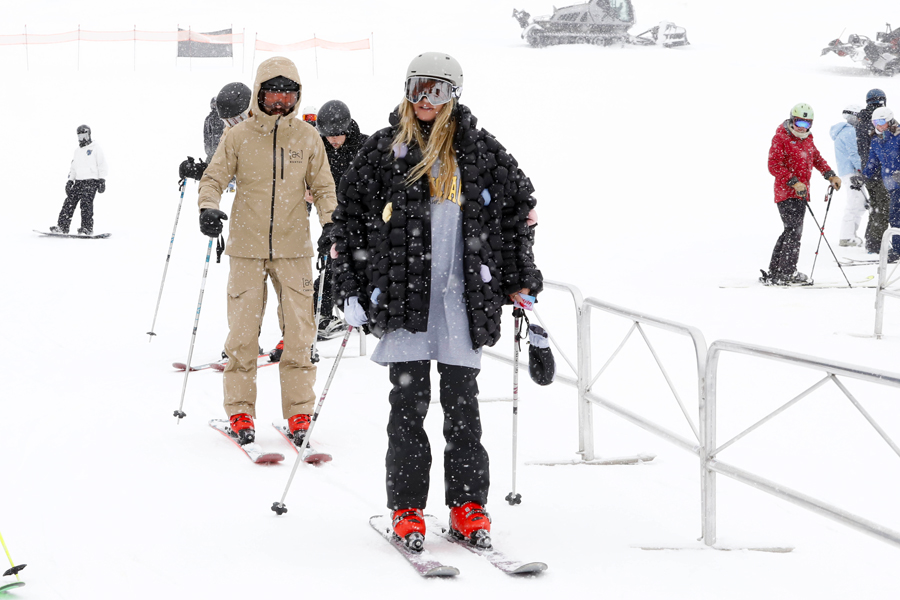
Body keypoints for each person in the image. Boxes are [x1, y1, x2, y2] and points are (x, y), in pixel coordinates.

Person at [330, 52, 542, 552]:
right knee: (407, 408)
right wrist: (350, 288)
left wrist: (518, 279)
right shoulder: (384, 151)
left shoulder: (481, 151)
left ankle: (468, 505)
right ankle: (406, 508)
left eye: (439, 91)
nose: (426, 101)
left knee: (462, 408)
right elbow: (346, 225)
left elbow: (518, 214)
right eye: (418, 89)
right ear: (406, 90)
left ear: (455, 96)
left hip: (461, 303)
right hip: (404, 300)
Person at [197, 57, 337, 448]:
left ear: (297, 96)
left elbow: (324, 188)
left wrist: (332, 224)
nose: (280, 102)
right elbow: (213, 177)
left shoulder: (307, 138)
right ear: (259, 93)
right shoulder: (239, 137)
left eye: (287, 94)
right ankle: (240, 409)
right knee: (242, 334)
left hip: (294, 250)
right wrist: (207, 207)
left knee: (299, 333)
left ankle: (298, 411)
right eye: (272, 94)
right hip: (246, 248)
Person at [763, 103, 842, 286]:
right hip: (786, 193)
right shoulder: (781, 138)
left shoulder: (807, 139)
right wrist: (794, 182)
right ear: (792, 120)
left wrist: (830, 175)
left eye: (807, 124)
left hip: (801, 193)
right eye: (799, 122)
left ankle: (776, 270)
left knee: (790, 231)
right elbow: (774, 165)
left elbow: (816, 158)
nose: (802, 127)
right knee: (794, 232)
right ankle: (787, 273)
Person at [312, 99, 369, 340]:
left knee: (359, 266)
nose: (333, 140)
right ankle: (321, 314)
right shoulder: (319, 149)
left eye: (337, 135)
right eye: (327, 135)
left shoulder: (364, 146)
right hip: (331, 217)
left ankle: (365, 311)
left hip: (361, 218)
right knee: (329, 262)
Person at [50, 125, 108, 235]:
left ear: (89, 135)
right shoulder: (77, 151)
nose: (83, 139)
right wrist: (70, 181)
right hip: (79, 181)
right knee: (69, 202)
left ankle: (87, 228)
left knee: (86, 204)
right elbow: (73, 168)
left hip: (91, 180)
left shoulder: (95, 148)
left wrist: (102, 180)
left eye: (84, 136)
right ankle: (62, 227)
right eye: (80, 136)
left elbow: (102, 164)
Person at [861, 106, 900, 262]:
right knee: (894, 217)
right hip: (891, 186)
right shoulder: (876, 140)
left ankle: (897, 249)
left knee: (896, 216)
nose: (878, 125)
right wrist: (863, 177)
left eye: (881, 121)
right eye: (875, 122)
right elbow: (873, 162)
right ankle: (897, 249)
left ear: (889, 121)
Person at [829, 104, 867, 247]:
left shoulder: (841, 132)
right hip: (852, 172)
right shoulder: (850, 131)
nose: (859, 120)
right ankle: (846, 237)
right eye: (858, 117)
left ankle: (851, 235)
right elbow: (853, 153)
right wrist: (861, 170)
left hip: (847, 172)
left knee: (860, 203)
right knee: (854, 203)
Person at [858, 89, 890, 253]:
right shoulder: (879, 121)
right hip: (880, 172)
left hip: (868, 172)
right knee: (883, 208)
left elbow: (862, 149)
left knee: (876, 207)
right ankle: (876, 243)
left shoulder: (861, 121)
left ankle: (872, 240)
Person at [203, 97, 225, 164]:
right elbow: (206, 135)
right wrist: (208, 151)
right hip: (212, 150)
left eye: (216, 104)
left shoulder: (224, 116)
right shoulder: (209, 118)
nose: (214, 106)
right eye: (213, 104)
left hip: (224, 149)